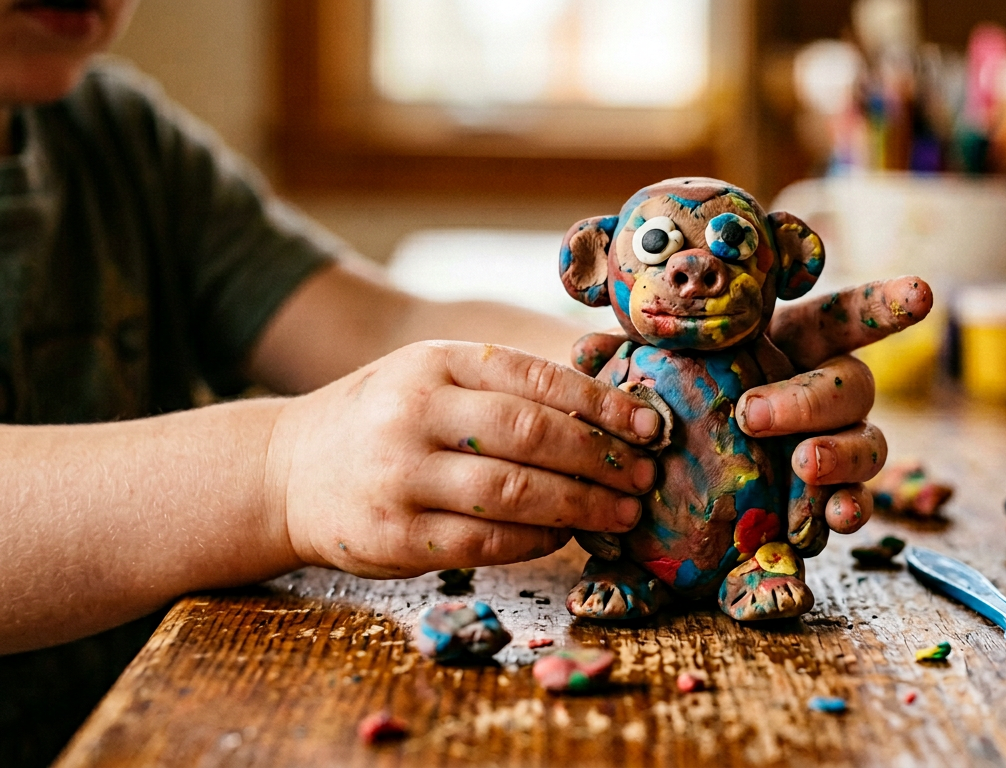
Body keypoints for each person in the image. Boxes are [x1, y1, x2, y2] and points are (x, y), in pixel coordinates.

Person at [0, 0, 927, 762]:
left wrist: (667, 365)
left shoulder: (117, 138)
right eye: (659, 256)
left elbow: (377, 326)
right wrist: (281, 469)